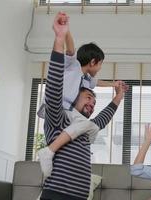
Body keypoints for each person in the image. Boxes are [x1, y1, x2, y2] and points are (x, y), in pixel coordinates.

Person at [40, 12, 126, 200]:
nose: (92, 103)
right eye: (88, 98)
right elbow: (58, 74)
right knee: (88, 125)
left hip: (79, 196)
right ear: (93, 61)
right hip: (57, 194)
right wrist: (62, 36)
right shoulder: (73, 68)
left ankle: (50, 150)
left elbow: (101, 118)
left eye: (94, 102)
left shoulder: (85, 81)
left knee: (91, 125)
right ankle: (48, 152)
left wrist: (117, 93)